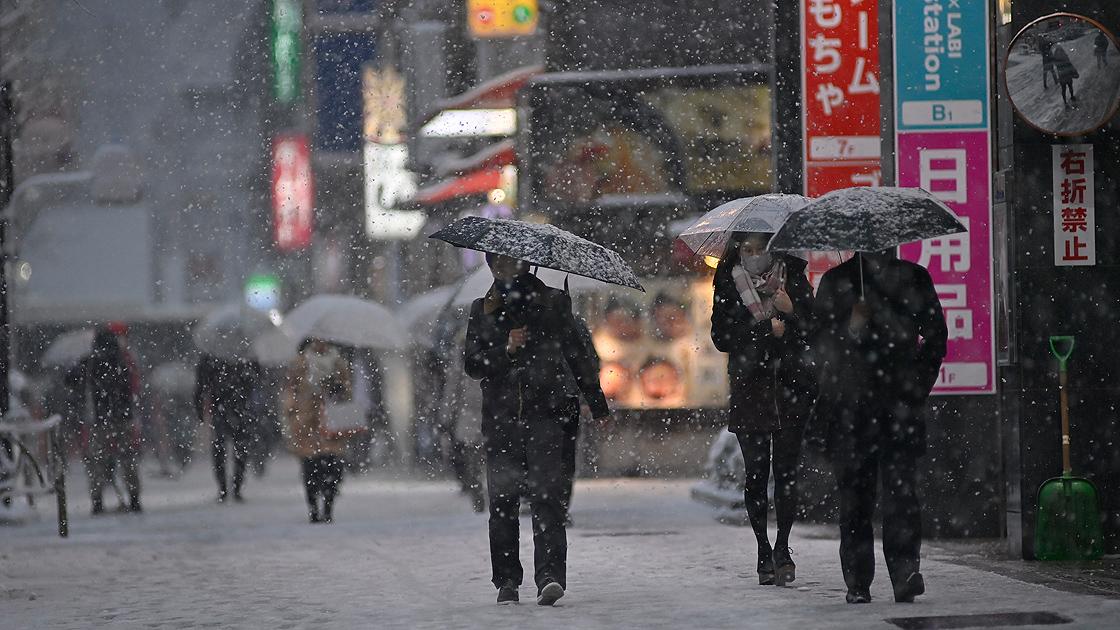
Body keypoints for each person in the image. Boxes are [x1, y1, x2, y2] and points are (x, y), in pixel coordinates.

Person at [464, 254, 611, 607]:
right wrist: (506, 349)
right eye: (497, 263)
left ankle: (550, 576)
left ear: (525, 264)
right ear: (490, 266)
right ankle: (507, 581)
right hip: (501, 421)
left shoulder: (553, 302)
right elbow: (472, 364)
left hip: (546, 415)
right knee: (502, 503)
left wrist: (597, 401)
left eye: (510, 262)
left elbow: (577, 354)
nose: (504, 269)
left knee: (547, 498)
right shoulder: (481, 309)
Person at [811, 250, 947, 604]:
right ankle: (857, 581)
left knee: (901, 496)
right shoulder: (838, 281)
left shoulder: (914, 278)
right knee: (855, 499)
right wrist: (852, 327)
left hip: (898, 407)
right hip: (851, 410)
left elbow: (935, 339)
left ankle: (905, 573)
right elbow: (819, 346)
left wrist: (915, 387)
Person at [710, 232, 816, 587]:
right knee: (756, 474)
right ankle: (762, 549)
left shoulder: (794, 276)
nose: (754, 256)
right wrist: (762, 330)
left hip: (791, 386)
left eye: (761, 249)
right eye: (748, 250)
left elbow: (814, 330)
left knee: (786, 472)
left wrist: (792, 313)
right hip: (750, 385)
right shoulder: (728, 278)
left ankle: (783, 548)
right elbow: (721, 336)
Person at [283, 339, 352, 523]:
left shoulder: (338, 362)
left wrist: (337, 388)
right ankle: (313, 508)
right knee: (310, 468)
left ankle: (328, 507)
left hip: (331, 421)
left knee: (332, 466)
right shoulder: (301, 362)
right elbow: (291, 390)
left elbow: (347, 390)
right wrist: (292, 411)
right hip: (307, 423)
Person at [78, 327, 142, 514]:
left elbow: (71, 380)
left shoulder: (90, 362)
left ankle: (97, 501)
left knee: (96, 461)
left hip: (99, 420)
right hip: (123, 418)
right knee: (128, 459)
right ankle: (134, 498)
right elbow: (132, 387)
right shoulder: (123, 360)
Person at [195, 353, 261, 502]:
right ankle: (231, 487)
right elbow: (256, 377)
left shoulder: (212, 354)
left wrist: (200, 408)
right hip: (233, 408)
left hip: (228, 408)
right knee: (233, 450)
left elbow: (201, 385)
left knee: (225, 450)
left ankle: (228, 487)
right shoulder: (243, 353)